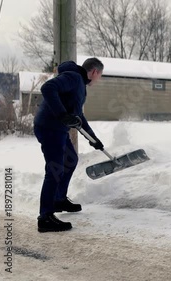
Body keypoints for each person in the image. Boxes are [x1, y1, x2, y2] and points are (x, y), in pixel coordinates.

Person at [34, 57, 105, 233]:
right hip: (49, 127)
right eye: (100, 75)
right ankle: (45, 217)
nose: (99, 79)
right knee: (55, 169)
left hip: (58, 129)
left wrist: (93, 139)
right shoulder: (73, 77)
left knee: (70, 160)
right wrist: (62, 115)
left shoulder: (79, 83)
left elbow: (78, 115)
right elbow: (47, 87)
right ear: (94, 72)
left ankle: (58, 199)